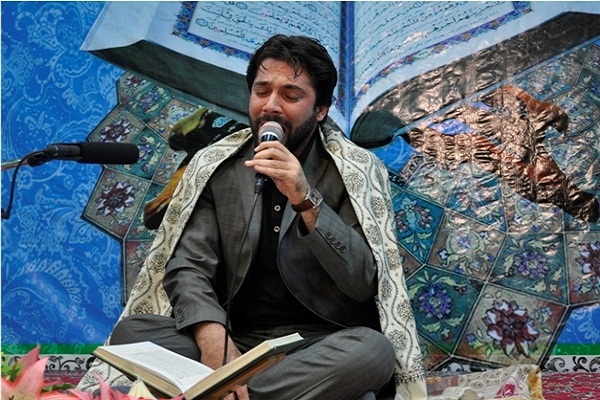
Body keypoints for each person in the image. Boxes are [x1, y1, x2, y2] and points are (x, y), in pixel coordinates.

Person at [108, 34, 425, 400]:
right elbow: (190, 268)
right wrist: (215, 344)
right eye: (262, 91)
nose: (271, 106)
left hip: (318, 345)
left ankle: (233, 394)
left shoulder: (353, 170)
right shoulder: (218, 165)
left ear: (321, 109)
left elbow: (362, 282)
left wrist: (306, 199)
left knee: (373, 351)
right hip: (233, 339)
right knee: (131, 335)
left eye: (290, 95)